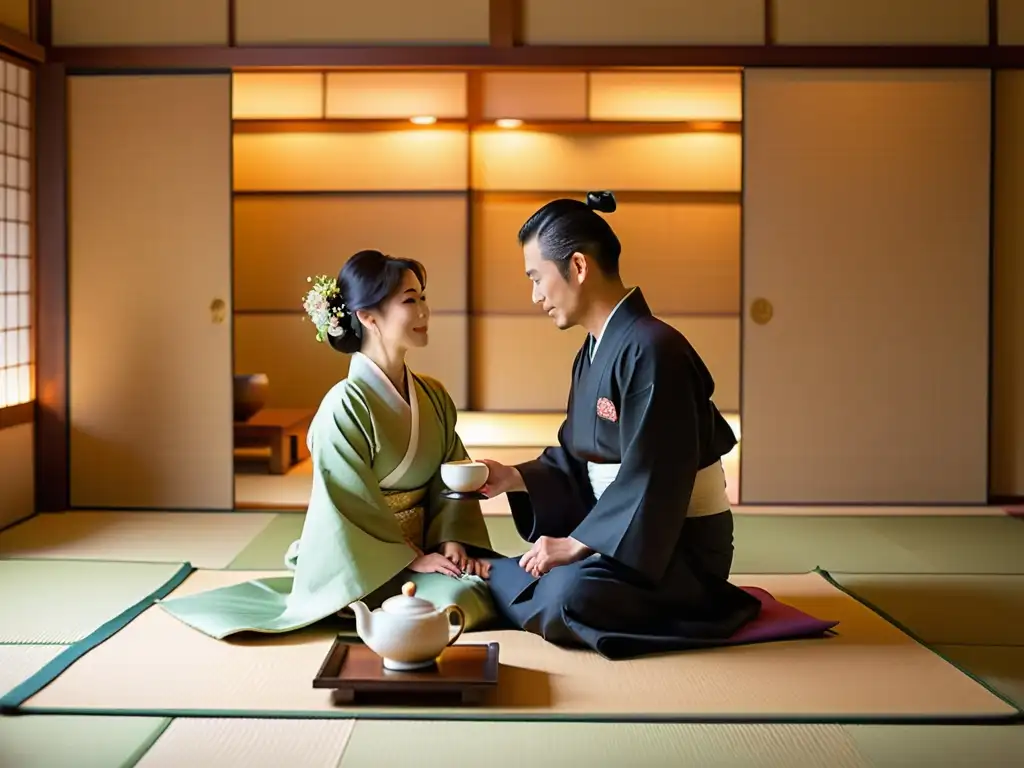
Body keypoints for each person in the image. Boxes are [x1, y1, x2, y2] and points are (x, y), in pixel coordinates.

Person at [478, 191, 762, 660]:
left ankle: (692, 602)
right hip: (629, 540)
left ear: (578, 267)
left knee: (567, 595)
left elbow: (656, 475)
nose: (535, 296)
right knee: (524, 578)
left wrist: (577, 542)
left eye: (537, 278)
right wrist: (515, 476)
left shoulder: (655, 349)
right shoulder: (591, 352)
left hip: (677, 551)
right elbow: (575, 454)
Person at [158, 250, 498, 639]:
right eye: (410, 300)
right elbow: (347, 505)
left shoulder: (433, 394)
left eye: (423, 298)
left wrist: (453, 540)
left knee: (480, 588)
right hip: (369, 560)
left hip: (429, 548)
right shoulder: (343, 406)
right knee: (460, 600)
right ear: (368, 316)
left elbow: (451, 472)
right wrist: (412, 559)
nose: (424, 310)